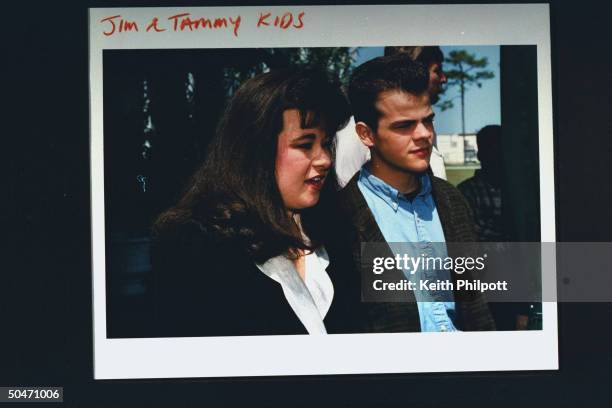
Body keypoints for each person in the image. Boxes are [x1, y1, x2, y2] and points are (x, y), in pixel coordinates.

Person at [147, 69, 355, 337]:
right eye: (305, 145)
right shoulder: (193, 244)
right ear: (257, 151)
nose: (325, 159)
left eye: (326, 144)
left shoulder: (338, 236)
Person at [337, 54, 494, 332]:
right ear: (366, 134)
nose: (424, 134)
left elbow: (477, 306)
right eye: (404, 125)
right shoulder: (341, 215)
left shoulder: (452, 201)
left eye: (428, 121)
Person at [335, 46, 448, 187]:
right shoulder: (355, 133)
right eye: (437, 70)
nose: (444, 78)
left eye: (427, 120)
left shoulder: (425, 129)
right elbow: (348, 194)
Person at [458, 125, 530, 330]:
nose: (497, 155)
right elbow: (474, 235)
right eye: (492, 149)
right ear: (481, 154)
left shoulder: (519, 190)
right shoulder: (467, 191)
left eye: (501, 149)